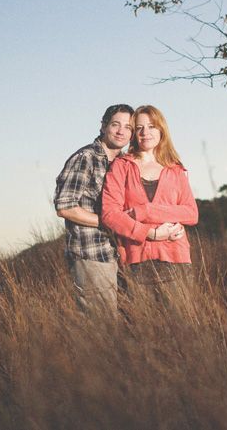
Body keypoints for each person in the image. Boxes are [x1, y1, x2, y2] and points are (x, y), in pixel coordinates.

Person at [101, 105, 197, 300]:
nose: (146, 133)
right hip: (136, 262)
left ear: (161, 130)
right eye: (139, 128)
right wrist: (150, 234)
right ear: (134, 133)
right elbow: (110, 214)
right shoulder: (121, 166)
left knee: (181, 328)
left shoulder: (175, 169)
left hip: (176, 259)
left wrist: (145, 211)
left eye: (152, 126)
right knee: (140, 329)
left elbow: (191, 213)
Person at [53, 104, 136, 314]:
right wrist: (108, 221)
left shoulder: (125, 163)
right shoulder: (86, 157)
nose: (121, 131)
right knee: (102, 326)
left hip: (119, 254)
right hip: (91, 253)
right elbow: (65, 206)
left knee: (128, 325)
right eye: (115, 124)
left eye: (128, 127)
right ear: (103, 126)